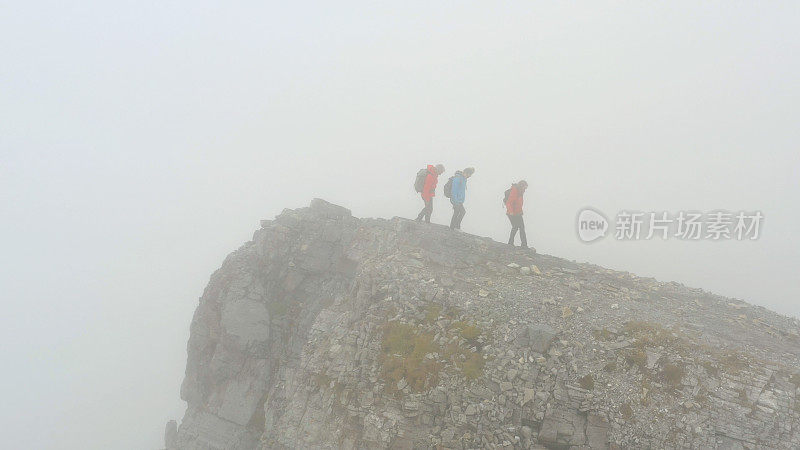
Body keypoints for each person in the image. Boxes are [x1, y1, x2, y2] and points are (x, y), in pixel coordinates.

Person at [505, 180, 529, 248]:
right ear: (521, 186)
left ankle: (521, 244)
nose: (525, 189)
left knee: (519, 227)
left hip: (518, 213)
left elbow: (519, 203)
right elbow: (509, 202)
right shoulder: (515, 191)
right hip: (512, 213)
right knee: (517, 227)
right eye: (525, 187)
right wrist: (511, 212)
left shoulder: (521, 192)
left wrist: (520, 211)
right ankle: (520, 244)